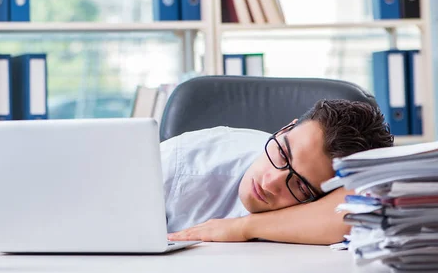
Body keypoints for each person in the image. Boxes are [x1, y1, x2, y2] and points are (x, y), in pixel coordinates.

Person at [164, 99, 394, 245]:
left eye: (301, 186)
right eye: (283, 153)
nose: (271, 181)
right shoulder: (183, 159)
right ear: (285, 128)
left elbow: (363, 209)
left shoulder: (329, 199)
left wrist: (243, 227)